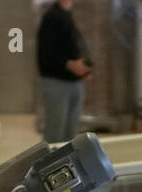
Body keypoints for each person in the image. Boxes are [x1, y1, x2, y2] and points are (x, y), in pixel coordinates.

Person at [37, 0, 91, 143]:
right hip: (57, 82)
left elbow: (70, 47)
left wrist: (83, 69)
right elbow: (46, 54)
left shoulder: (66, 14)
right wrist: (69, 64)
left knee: (69, 136)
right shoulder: (52, 16)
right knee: (55, 135)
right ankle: (48, 165)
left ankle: (64, 165)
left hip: (74, 81)